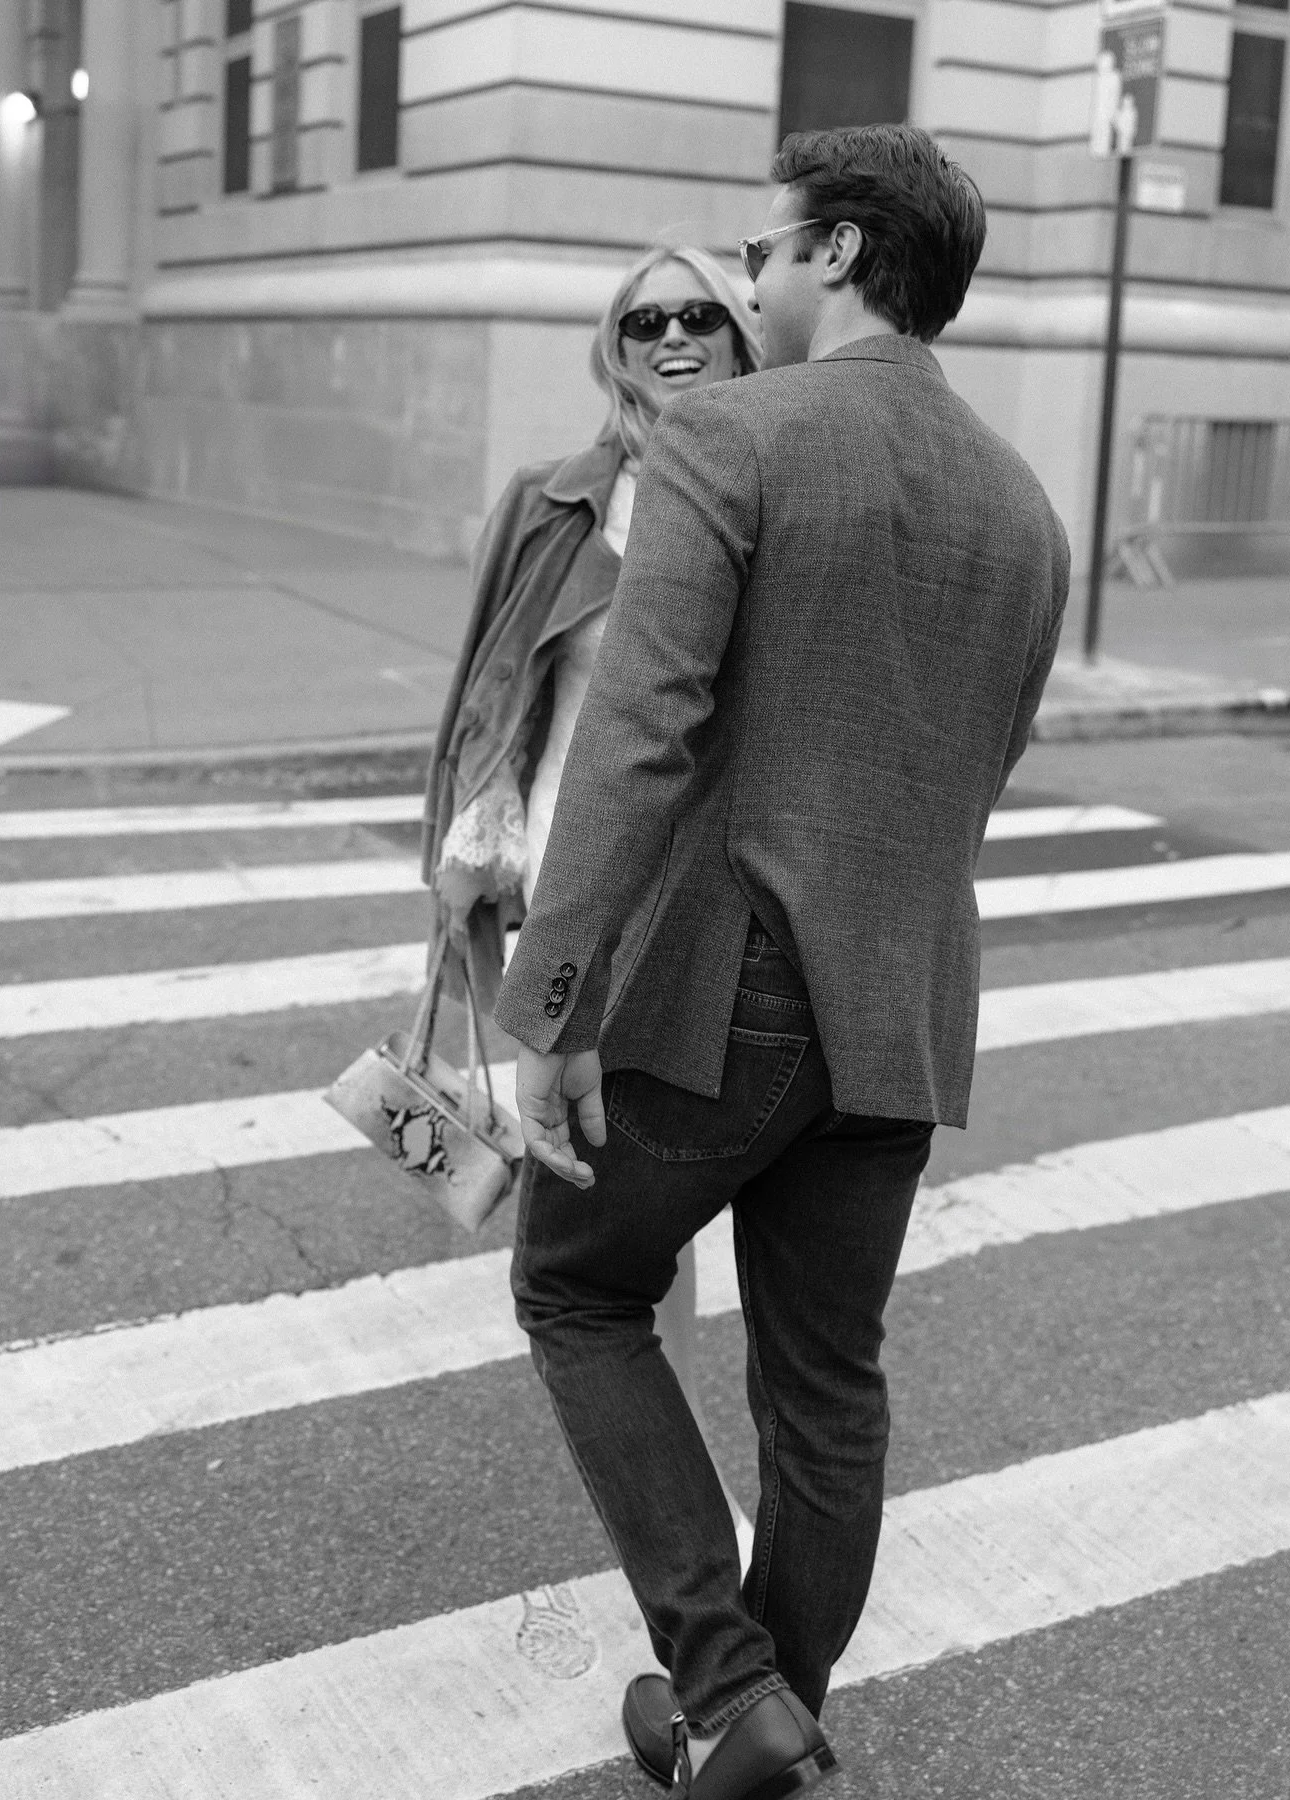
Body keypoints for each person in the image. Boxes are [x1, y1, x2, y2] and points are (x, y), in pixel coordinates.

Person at [492, 125, 1070, 1799]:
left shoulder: (731, 434)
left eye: (762, 253)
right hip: (904, 1003)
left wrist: (553, 1002)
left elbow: (640, 735)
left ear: (839, 252)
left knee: (576, 1285)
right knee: (826, 1388)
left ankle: (729, 1685)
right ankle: (767, 1727)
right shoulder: (1026, 509)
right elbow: (982, 767)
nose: (749, 285)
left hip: (728, 988)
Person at [420, 244, 763, 1558]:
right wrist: (467, 838)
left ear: (743, 336)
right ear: (613, 346)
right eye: (644, 319)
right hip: (571, 900)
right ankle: (683, 1501)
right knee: (613, 1230)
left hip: (707, 904)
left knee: (642, 1220)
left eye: (701, 315)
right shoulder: (554, 501)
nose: (673, 336)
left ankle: (683, 1503)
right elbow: (493, 683)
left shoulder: (773, 490)